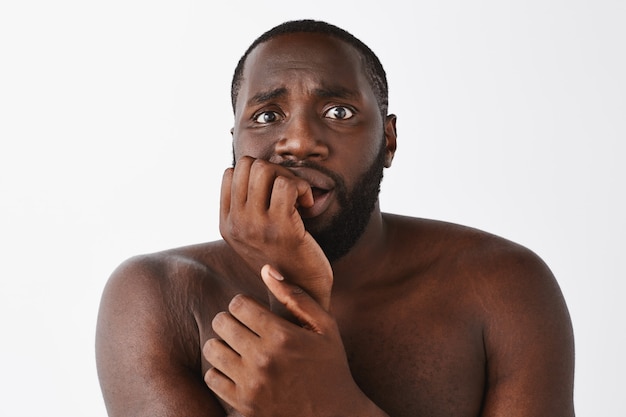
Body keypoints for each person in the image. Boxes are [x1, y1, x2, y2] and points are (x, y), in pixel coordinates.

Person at [96, 19, 575, 417]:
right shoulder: (157, 296)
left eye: (339, 110)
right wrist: (293, 293)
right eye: (266, 116)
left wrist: (336, 407)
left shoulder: (504, 287)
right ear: (234, 142)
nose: (299, 141)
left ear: (387, 141)